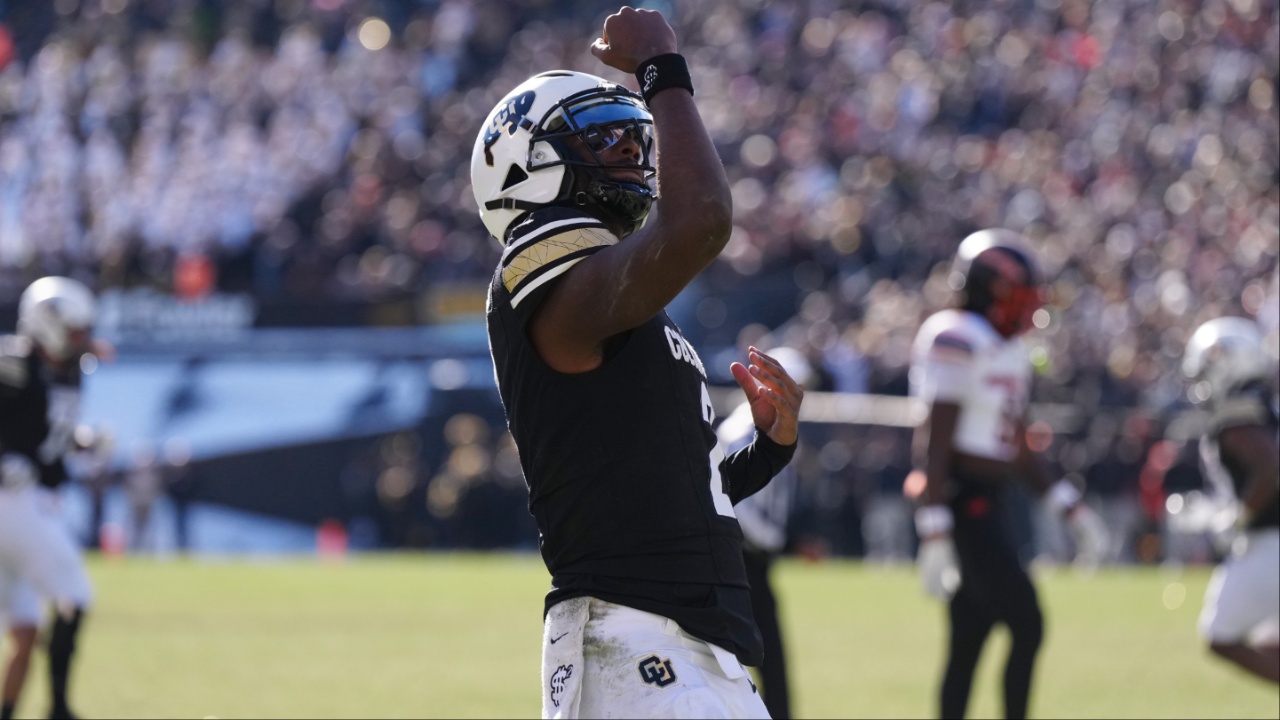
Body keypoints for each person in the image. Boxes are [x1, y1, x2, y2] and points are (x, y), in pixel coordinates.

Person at [470, 7, 804, 718]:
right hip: (636, 641)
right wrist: (660, 64)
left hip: (677, 644)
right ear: (521, 165)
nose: (632, 153)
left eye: (633, 139)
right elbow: (703, 221)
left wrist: (768, 449)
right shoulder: (540, 272)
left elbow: (675, 493)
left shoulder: (611, 306)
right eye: (603, 140)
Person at [905, 229, 1107, 719]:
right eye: (1018, 297)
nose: (1026, 310)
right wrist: (934, 528)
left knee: (970, 636)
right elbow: (935, 441)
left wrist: (1068, 507)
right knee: (1027, 622)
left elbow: (1017, 441)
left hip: (992, 499)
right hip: (963, 498)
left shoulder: (1010, 349)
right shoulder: (954, 334)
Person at [0, 276, 98, 720]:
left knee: (24, 629)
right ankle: (58, 709)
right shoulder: (13, 364)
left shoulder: (64, 372)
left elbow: (46, 435)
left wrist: (81, 442)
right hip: (15, 503)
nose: (81, 340)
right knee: (75, 595)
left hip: (30, 500)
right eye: (75, 330)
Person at [1182, 316, 1279, 684]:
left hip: (1269, 542)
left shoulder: (1238, 415)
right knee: (1272, 644)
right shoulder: (1265, 407)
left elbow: (1269, 466)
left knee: (1219, 637)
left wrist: (1237, 519)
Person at [718, 347, 812, 720]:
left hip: (750, 555)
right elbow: (738, 505)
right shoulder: (745, 429)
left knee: (759, 660)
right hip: (741, 557)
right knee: (761, 660)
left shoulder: (761, 423)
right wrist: (785, 543)